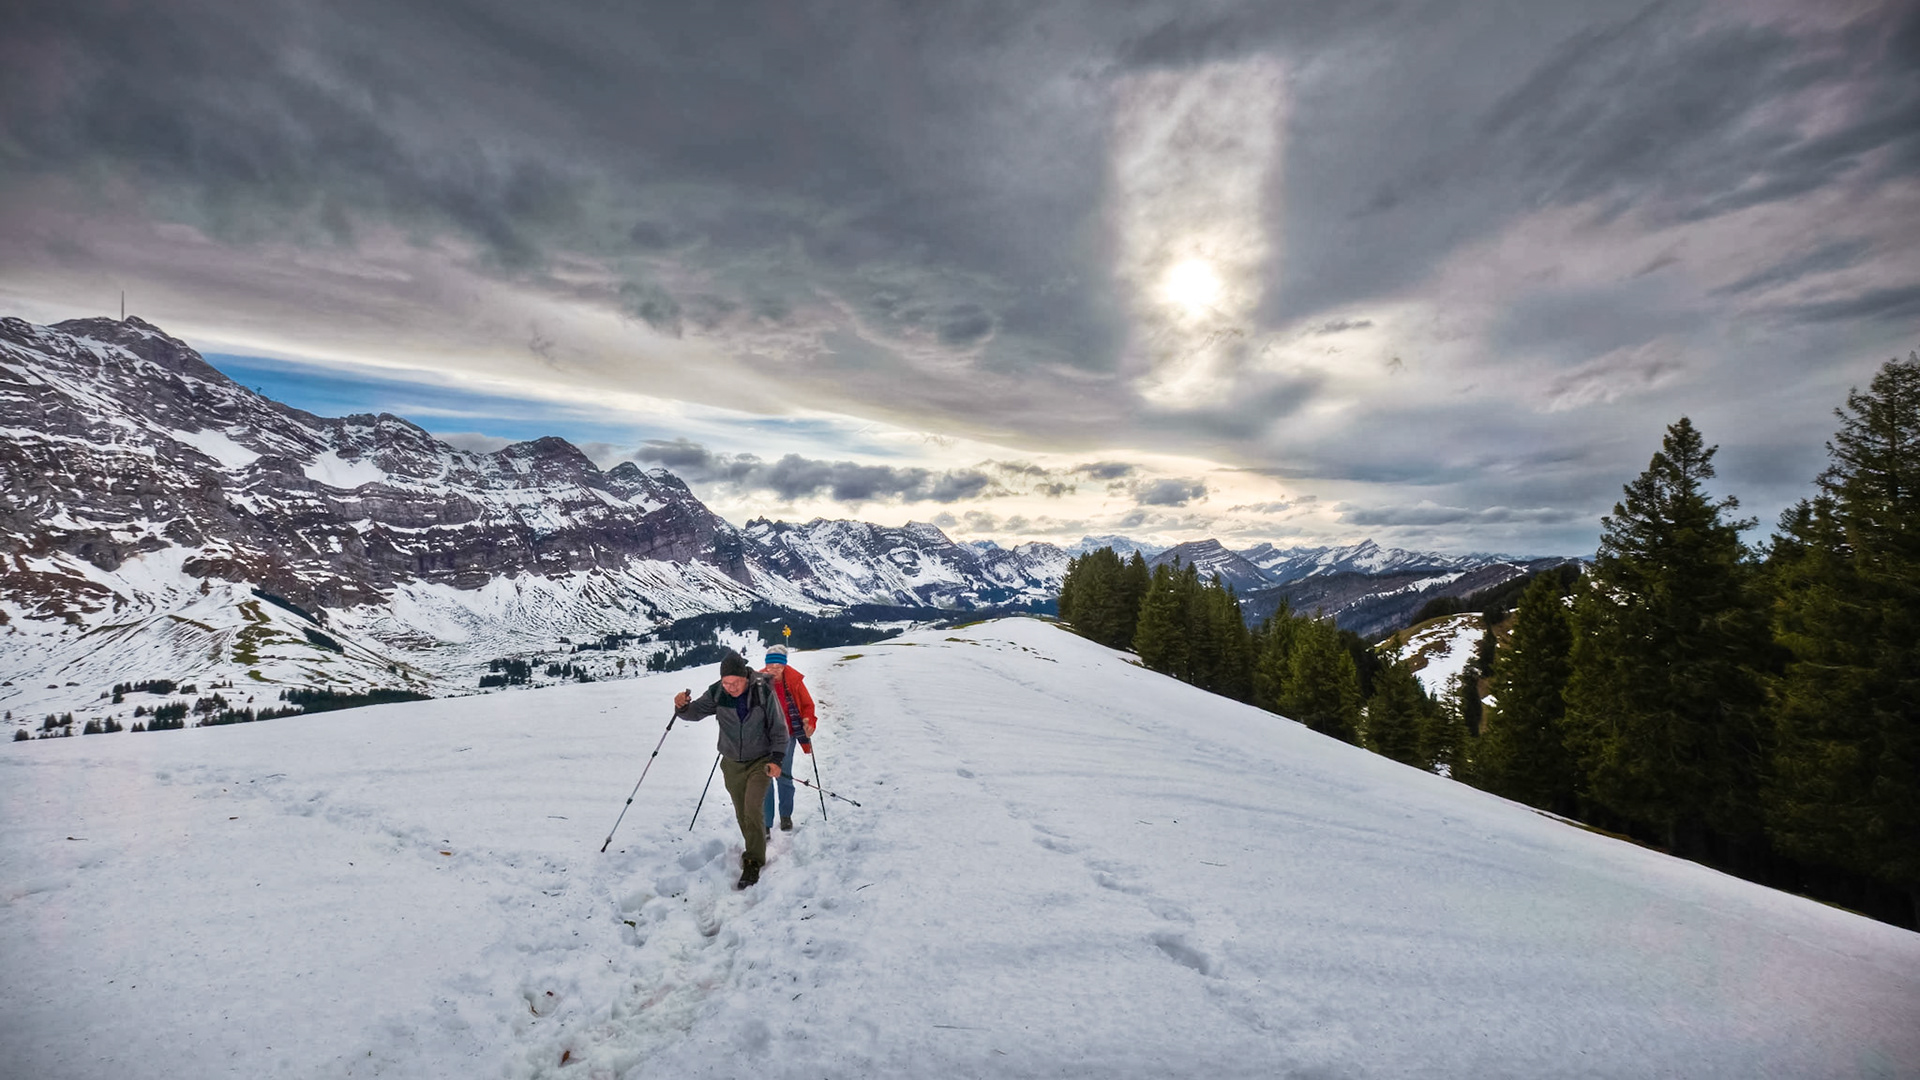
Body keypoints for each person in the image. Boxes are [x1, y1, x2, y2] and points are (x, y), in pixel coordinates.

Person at [674, 649, 788, 889]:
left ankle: (754, 860)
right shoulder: (717, 692)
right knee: (741, 811)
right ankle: (754, 843)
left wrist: (776, 760)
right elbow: (694, 713)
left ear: (745, 677)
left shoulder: (762, 690)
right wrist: (682, 707)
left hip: (760, 760)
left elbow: (779, 728)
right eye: (726, 683)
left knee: (752, 808)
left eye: (735, 683)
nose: (731, 688)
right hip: (731, 763)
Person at [759, 645, 818, 832]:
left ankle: (785, 815)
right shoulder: (757, 681)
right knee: (765, 778)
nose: (774, 669)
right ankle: (766, 823)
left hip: (787, 736)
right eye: (771, 665)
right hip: (762, 737)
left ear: (785, 665)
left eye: (779, 665)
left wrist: (809, 722)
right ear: (765, 665)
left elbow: (808, 705)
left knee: (783, 775)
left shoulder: (794, 681)